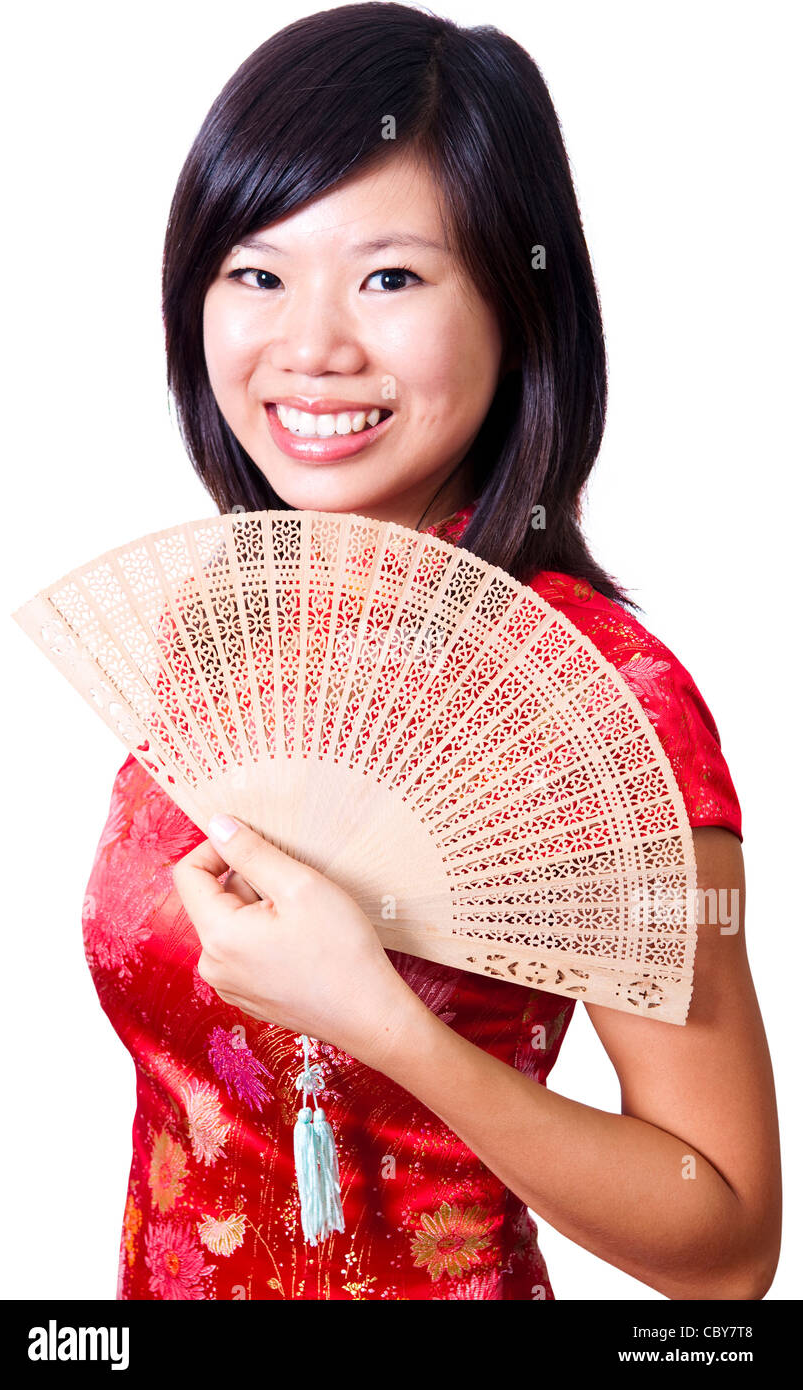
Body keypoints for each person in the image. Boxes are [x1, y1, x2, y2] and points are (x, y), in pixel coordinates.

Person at [83, 2, 781, 1300]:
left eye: (389, 277)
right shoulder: (219, 623)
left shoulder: (603, 700)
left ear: (516, 302)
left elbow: (728, 1237)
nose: (310, 347)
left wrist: (385, 1022)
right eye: (256, 271)